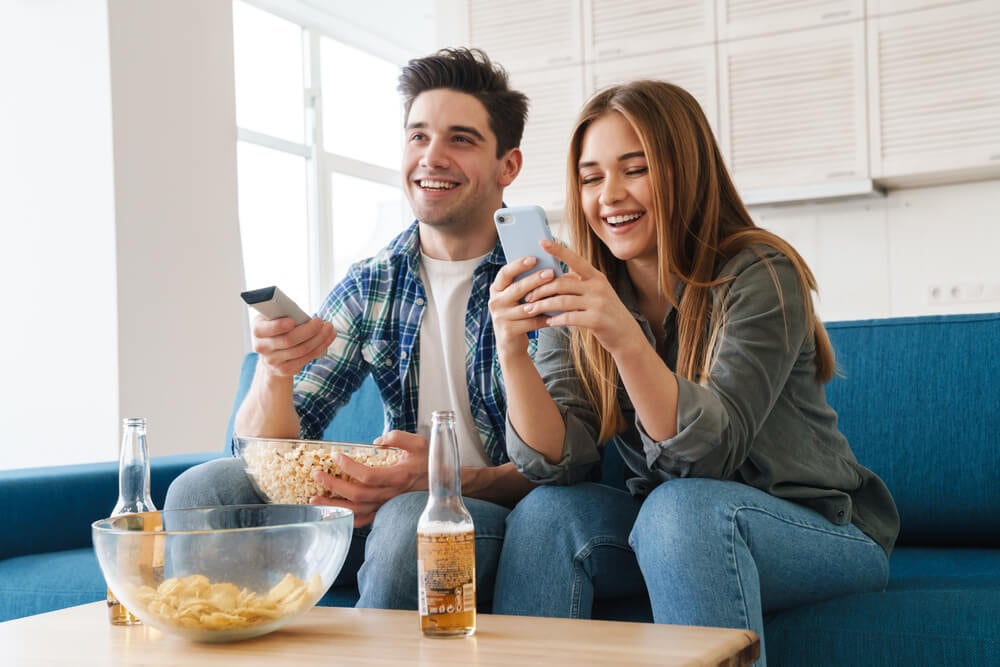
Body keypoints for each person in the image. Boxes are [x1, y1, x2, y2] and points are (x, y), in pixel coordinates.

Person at [486, 80, 899, 665]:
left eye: (636, 169)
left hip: (814, 529)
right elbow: (559, 461)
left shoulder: (760, 271)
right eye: (591, 176)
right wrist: (513, 352)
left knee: (682, 509)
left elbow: (705, 459)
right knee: (547, 514)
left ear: (685, 170)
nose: (610, 196)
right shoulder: (587, 289)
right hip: (671, 529)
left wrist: (624, 338)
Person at [165, 47, 536, 611]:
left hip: (492, 510)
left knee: (413, 518)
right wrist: (274, 372)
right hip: (389, 503)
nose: (431, 157)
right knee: (203, 488)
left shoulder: (542, 280)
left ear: (508, 166)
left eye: (460, 139)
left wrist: (439, 480)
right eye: (418, 137)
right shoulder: (373, 282)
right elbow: (259, 454)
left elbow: (567, 466)